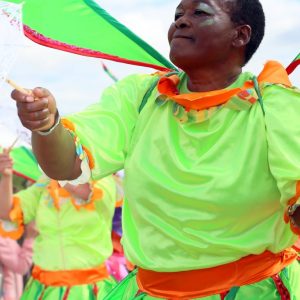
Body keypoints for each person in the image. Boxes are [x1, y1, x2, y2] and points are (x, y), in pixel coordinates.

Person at [10, 0, 300, 298]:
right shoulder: (140, 97)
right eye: (178, 15)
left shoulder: (275, 104)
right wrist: (46, 125)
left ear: (240, 35)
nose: (181, 22)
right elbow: (66, 164)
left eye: (200, 12)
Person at [0, 150, 117, 299]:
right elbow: (6, 213)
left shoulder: (101, 177)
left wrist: (56, 170)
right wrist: (6, 176)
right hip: (43, 287)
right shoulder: (46, 183)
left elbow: (85, 193)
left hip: (84, 289)